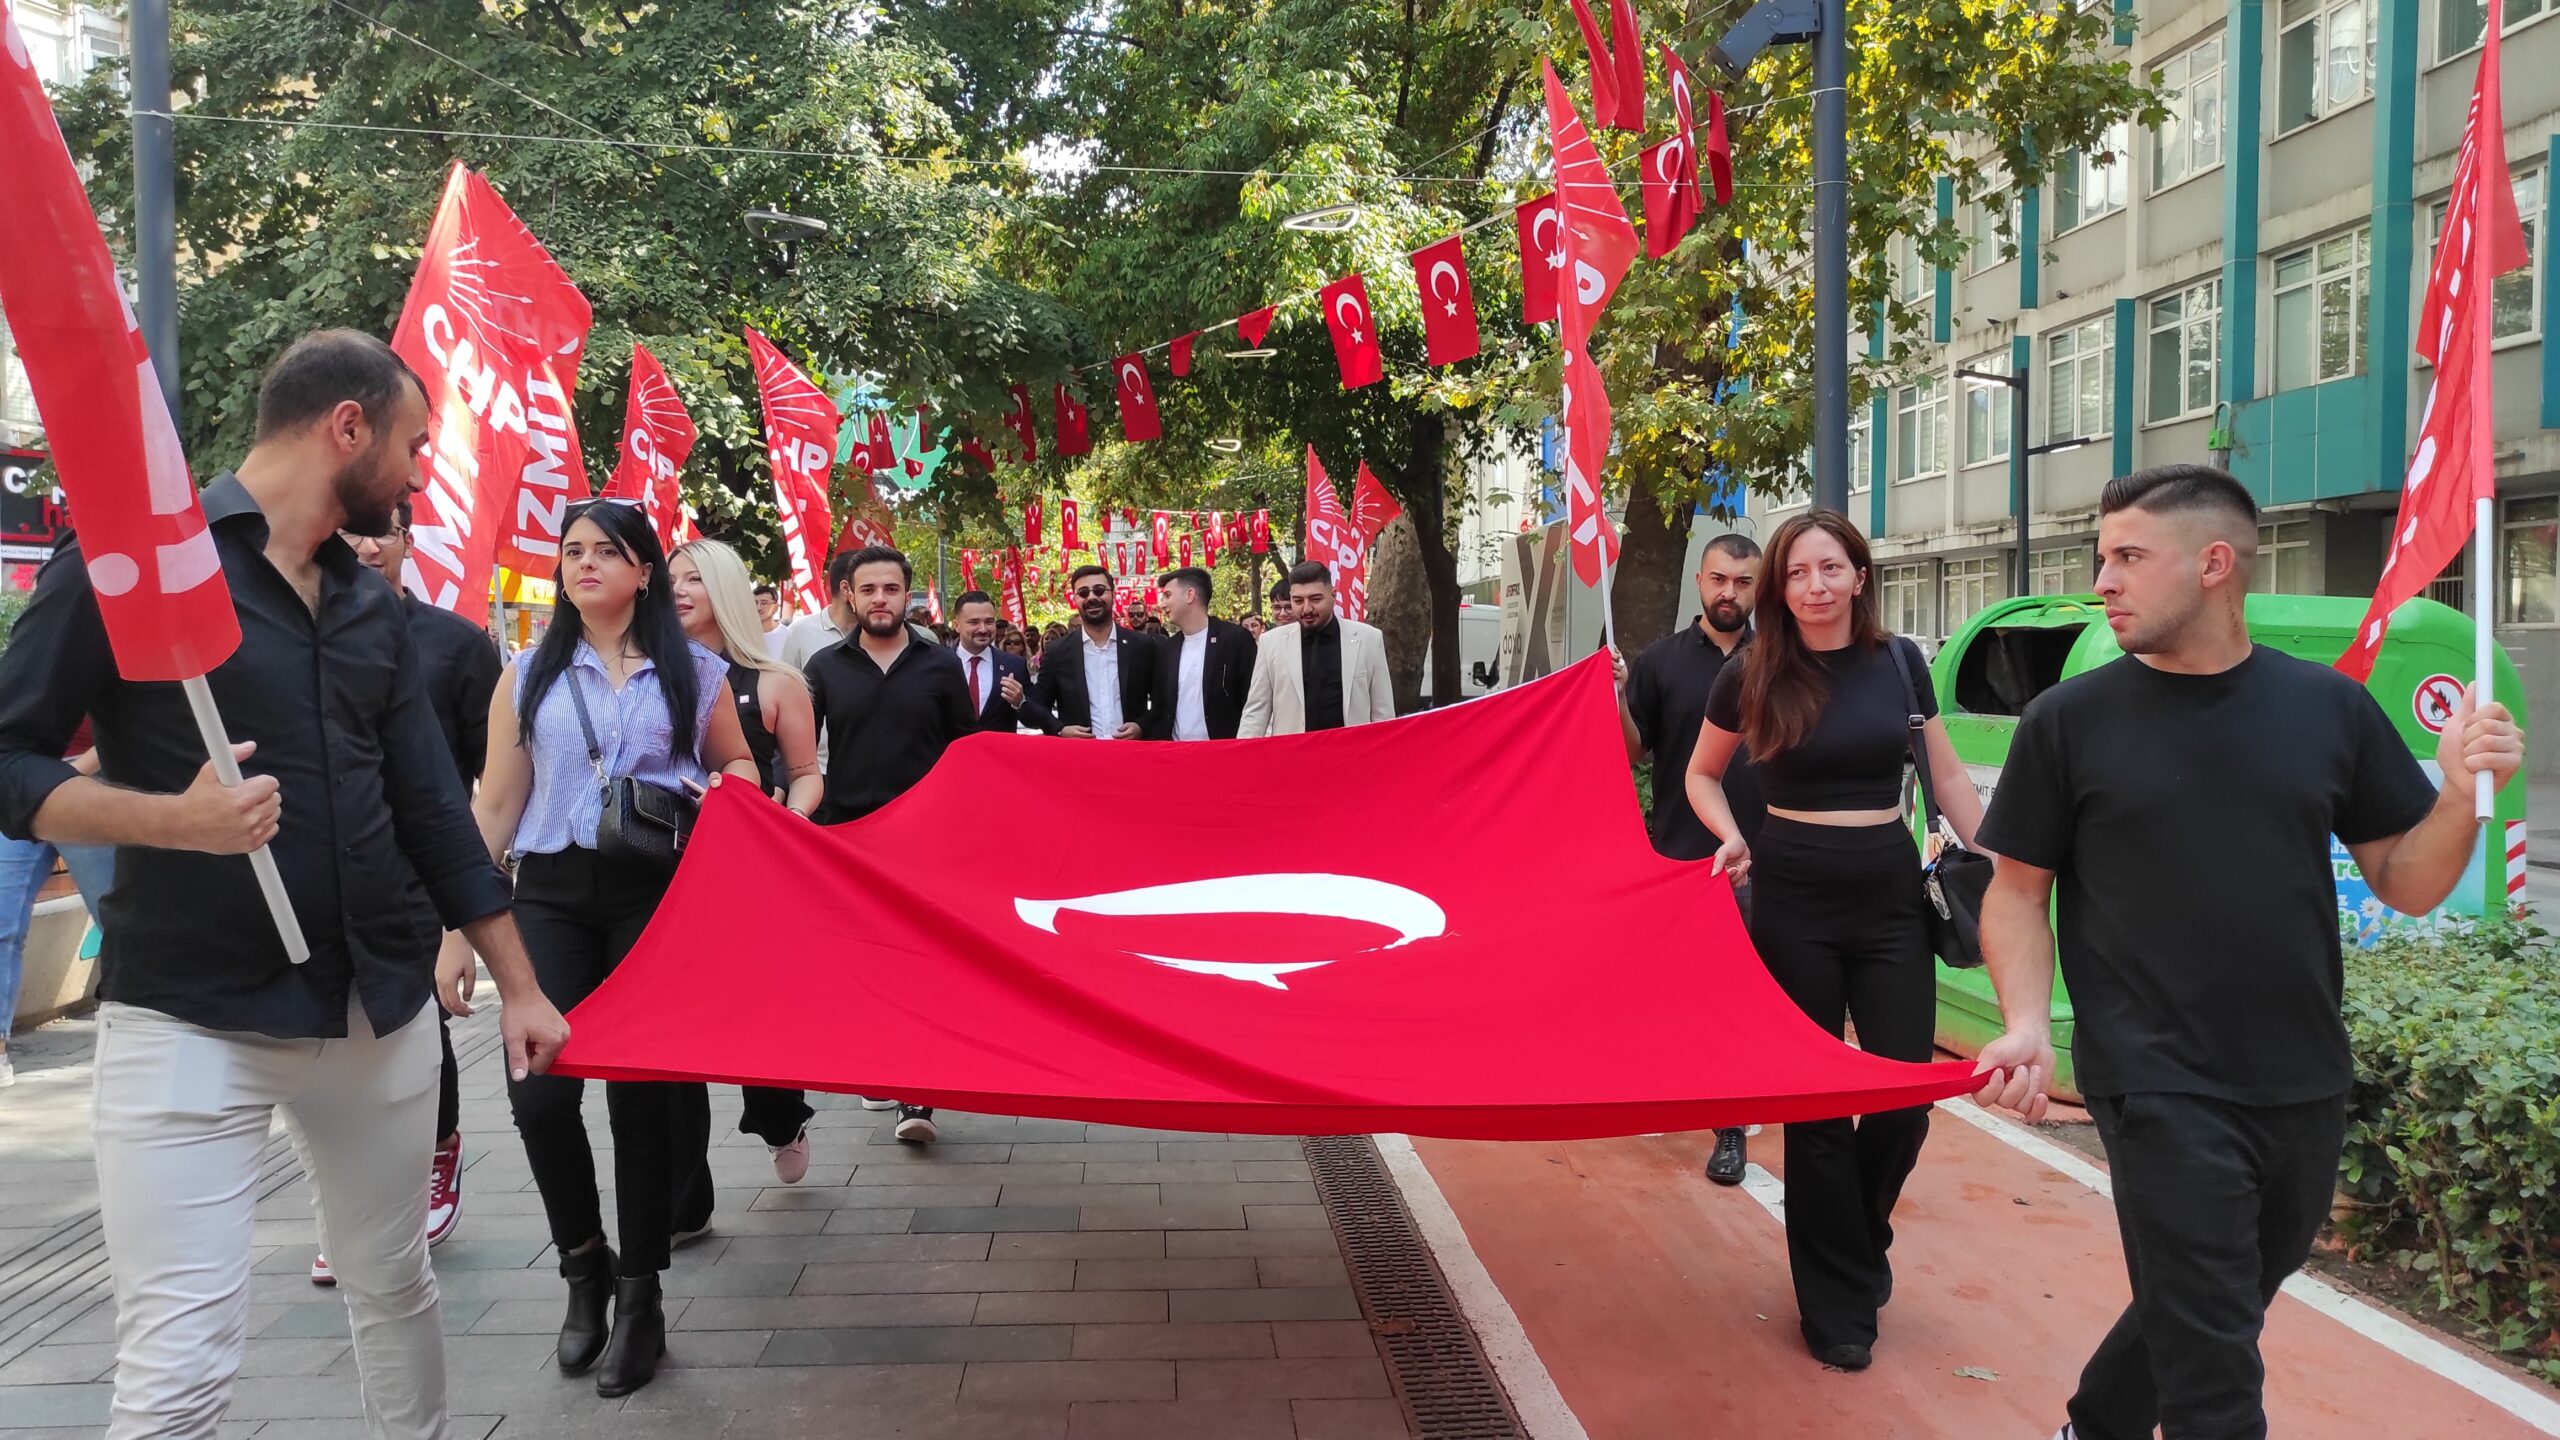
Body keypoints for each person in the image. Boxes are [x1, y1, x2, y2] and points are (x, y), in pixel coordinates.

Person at [0, 329, 570, 1438]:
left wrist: (522, 985)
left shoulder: (370, 610)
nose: (413, 477)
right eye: (409, 445)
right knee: (179, 1361)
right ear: (345, 427)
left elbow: (430, 811)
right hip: (188, 1015)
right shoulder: (137, 561)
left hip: (378, 1012)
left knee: (393, 1285)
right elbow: (6, 757)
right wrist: (174, 821)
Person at [1967, 467, 2521, 1440]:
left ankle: (2093, 1425)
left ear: (2213, 564)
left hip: (2300, 1076)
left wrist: (2459, 792)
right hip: (2153, 1080)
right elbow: (2016, 893)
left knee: (2213, 1304)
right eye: (2102, 557)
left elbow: (2406, 880)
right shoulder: (2070, 720)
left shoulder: (2328, 710)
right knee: (2217, 1379)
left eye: (2128, 557)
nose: (2103, 579)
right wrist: (2024, 1027)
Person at [1684, 508, 1985, 1374]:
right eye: (1797, 573)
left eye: (1830, 569)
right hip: (1793, 895)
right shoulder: (1751, 671)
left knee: (1902, 1094)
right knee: (1816, 1103)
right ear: (1783, 587)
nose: (1814, 586)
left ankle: (1856, 1238)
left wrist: (2002, 858)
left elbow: (1949, 772)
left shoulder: (1900, 663)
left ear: (1859, 574)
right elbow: (1704, 773)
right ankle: (1837, 1303)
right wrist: (1726, 834)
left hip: (1891, 894)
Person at [473, 499, 760, 1398]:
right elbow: (495, 806)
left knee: (644, 1104)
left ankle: (641, 1299)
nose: (584, 564)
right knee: (541, 1099)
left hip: (652, 893)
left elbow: (740, 766)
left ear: (644, 571)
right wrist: (455, 930)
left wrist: (725, 799)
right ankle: (582, 1267)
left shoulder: (697, 671)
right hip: (550, 894)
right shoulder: (525, 673)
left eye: (607, 551)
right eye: (572, 551)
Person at [296, 500, 501, 1286]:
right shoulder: (298, 637)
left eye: (380, 532)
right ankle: (347, 1213)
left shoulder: (453, 646)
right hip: (321, 875)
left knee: (415, 1029)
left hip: (420, 877)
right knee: (326, 1039)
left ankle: (433, 1159)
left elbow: (494, 782)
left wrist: (480, 901)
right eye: (346, 533)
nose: (364, 547)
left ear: (409, 542)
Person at [804, 546, 979, 1144]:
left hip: (928, 841)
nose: (880, 599)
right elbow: (798, 756)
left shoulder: (939, 666)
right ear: (848, 596)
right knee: (868, 961)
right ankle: (878, 1065)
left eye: (891, 588)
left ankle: (918, 1094)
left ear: (910, 596)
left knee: (924, 962)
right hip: (850, 837)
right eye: (868, 589)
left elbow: (967, 750)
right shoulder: (824, 667)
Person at [669, 538, 828, 1183]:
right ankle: (683, 1189)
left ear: (726, 591)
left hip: (751, 874)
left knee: (755, 1013)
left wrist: (782, 826)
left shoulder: (776, 681)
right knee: (678, 1026)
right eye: (670, 580)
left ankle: (779, 1116)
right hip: (665, 869)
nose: (677, 591)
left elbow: (805, 773)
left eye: (693, 580)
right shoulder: (647, 674)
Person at [1616, 533, 1767, 1188]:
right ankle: (1695, 1093)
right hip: (1682, 854)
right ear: (1699, 582)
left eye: (1742, 580)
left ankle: (1730, 1125)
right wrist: (1614, 694)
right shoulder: (1662, 662)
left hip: (1771, 858)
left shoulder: (1784, 659)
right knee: (1689, 992)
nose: (1728, 592)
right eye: (1718, 579)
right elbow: (1632, 753)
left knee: (1746, 997)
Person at [0, 724, 112, 1088]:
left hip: (92, 778)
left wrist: (64, 779)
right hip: (20, 779)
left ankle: (145, 1035)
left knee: (118, 921)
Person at [1240, 563, 1395, 737]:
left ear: (1333, 596)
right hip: (1292, 757)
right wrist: (1242, 758)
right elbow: (1255, 712)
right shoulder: (1271, 643)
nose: (1307, 608)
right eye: (1298, 601)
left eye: (1315, 599)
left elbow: (1383, 715)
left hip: (1351, 755)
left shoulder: (1369, 639)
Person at [1036, 565, 1154, 740]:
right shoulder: (1057, 652)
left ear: (1112, 594)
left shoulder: (1142, 646)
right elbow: (1039, 706)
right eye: (1083, 593)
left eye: (1099, 591)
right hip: (1080, 756)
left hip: (1132, 753)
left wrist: (1141, 726)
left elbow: (1163, 700)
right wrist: (1060, 730)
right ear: (1075, 599)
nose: (1091, 597)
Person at [1146, 567, 1255, 740]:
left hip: (1223, 751)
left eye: (1167, 595)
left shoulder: (1235, 639)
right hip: (1176, 752)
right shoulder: (1168, 649)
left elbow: (1252, 700)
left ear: (1190, 595)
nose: (1162, 604)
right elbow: (1160, 706)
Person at [952, 590, 1051, 734]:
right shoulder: (939, 664)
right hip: (951, 754)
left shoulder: (1014, 665)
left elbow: (1039, 719)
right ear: (957, 625)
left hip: (998, 754)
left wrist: (1020, 702)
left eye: (989, 622)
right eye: (974, 622)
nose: (983, 629)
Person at [753, 582, 788, 658]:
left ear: (776, 607)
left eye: (764, 603)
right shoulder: (746, 635)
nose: (758, 608)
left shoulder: (787, 634)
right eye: (755, 603)